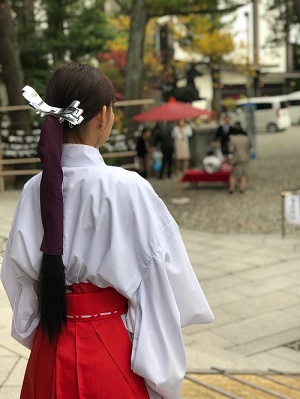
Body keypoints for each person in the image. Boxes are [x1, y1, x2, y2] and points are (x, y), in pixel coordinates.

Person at [1, 63, 214, 399]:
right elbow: (159, 290)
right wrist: (164, 381)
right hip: (110, 353)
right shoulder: (129, 188)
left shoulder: (33, 189)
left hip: (48, 351)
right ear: (103, 116)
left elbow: (18, 282)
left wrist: (44, 335)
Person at [228, 125, 253, 194]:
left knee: (234, 174)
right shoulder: (246, 138)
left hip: (236, 158)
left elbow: (231, 149)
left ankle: (232, 188)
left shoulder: (232, 139)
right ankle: (242, 188)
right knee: (244, 174)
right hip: (245, 157)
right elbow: (249, 147)